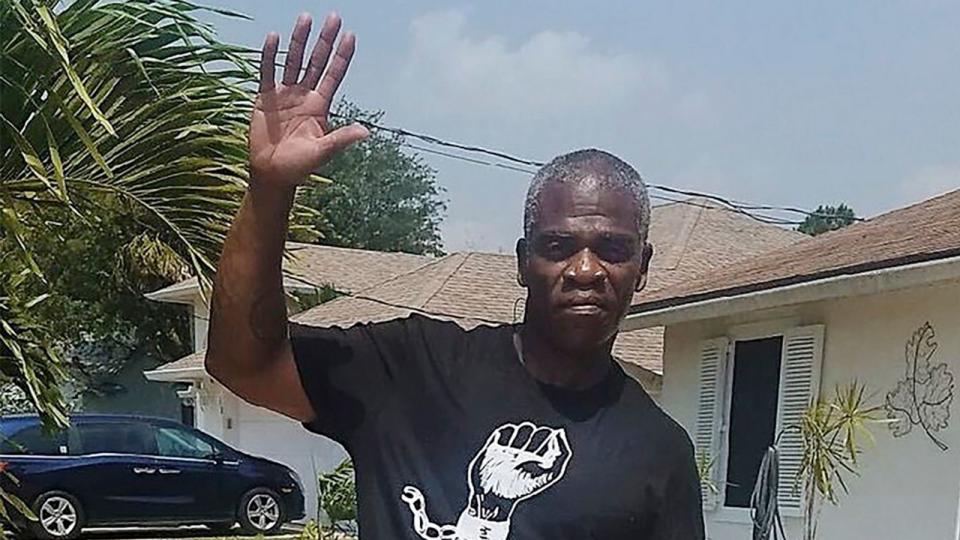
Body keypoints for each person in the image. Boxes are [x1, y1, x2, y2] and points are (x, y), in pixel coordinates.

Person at [206, 10, 705, 540]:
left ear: (642, 268)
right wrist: (268, 189)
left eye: (612, 249)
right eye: (558, 247)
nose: (585, 270)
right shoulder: (412, 371)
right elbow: (242, 364)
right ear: (522, 261)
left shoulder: (658, 451)